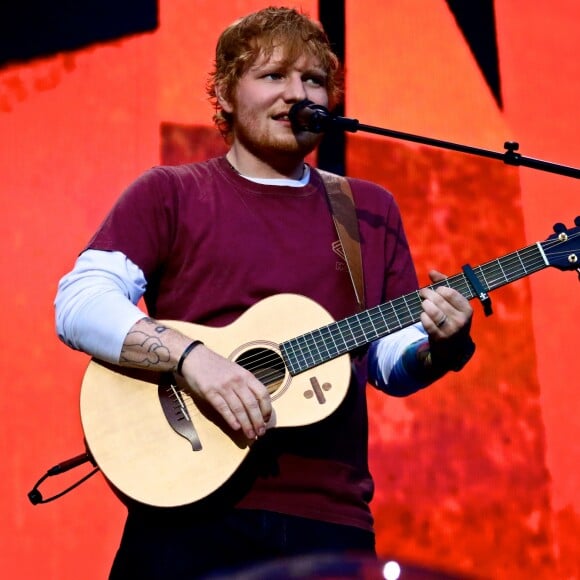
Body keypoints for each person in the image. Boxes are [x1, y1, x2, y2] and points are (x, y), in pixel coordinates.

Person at [55, 6, 475, 579]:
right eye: (274, 75)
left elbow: (385, 362)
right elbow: (80, 301)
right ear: (226, 93)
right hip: (187, 512)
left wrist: (439, 348)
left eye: (314, 81)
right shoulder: (171, 194)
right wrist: (192, 358)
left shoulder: (368, 211)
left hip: (329, 523)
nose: (296, 94)